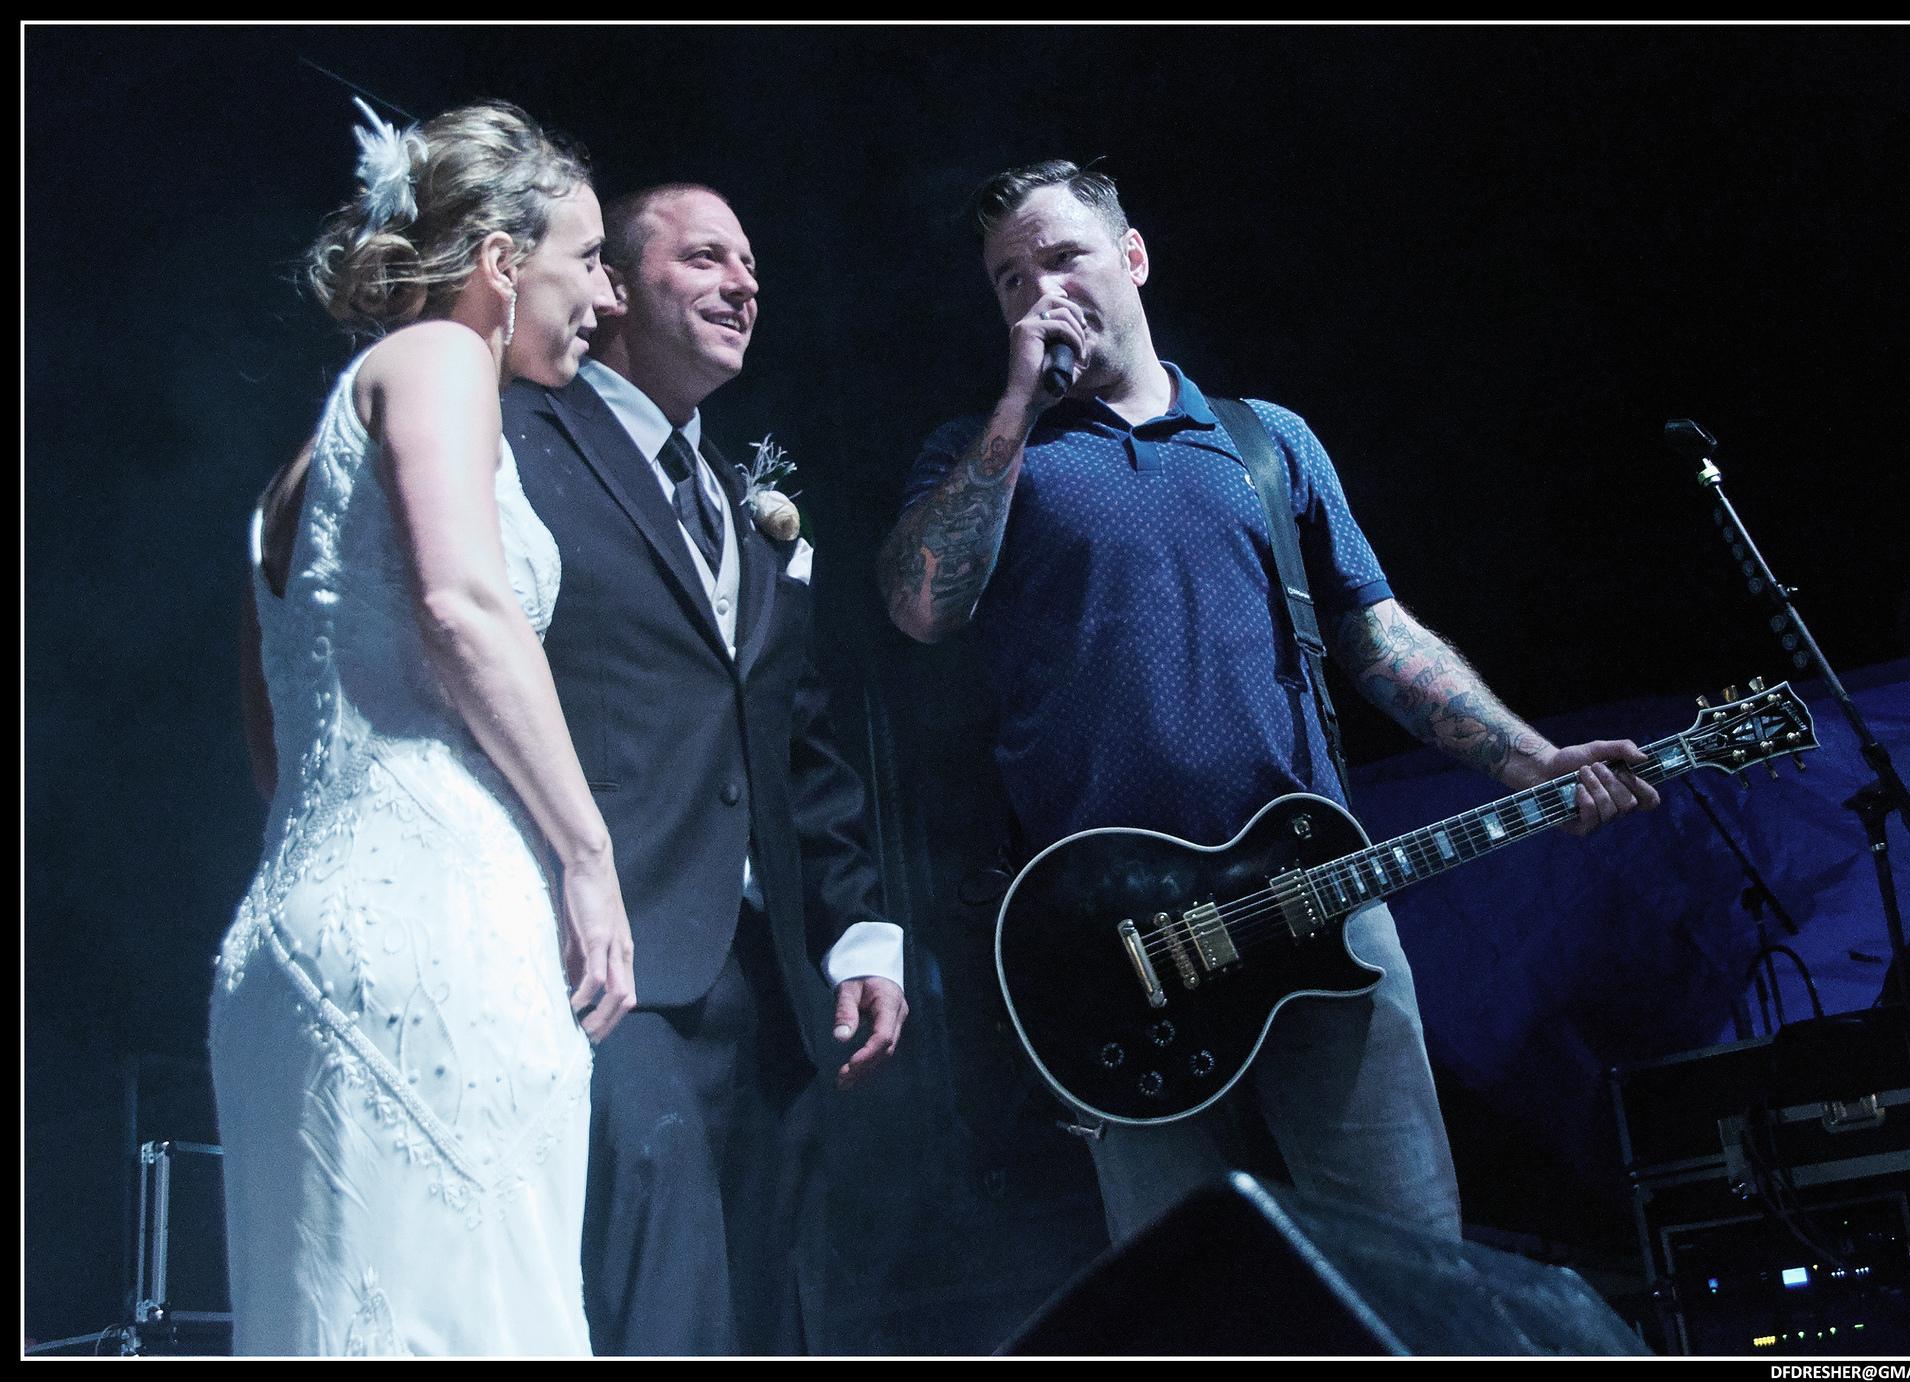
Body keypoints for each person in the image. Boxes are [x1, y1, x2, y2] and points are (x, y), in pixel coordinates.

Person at [878, 160, 1660, 1247]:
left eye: (1062, 258)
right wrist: (1016, 400)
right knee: (1191, 1289)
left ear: (1133, 258)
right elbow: (921, 604)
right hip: (1116, 945)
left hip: (1316, 894)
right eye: (1009, 279)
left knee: (1405, 1258)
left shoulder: (1262, 440)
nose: (1038, 292)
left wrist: (1528, 758)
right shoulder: (990, 455)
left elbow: (1374, 633)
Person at [214, 99, 632, 1356]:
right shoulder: (441, 360)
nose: (604, 299)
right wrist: (584, 851)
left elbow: (271, 745)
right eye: (587, 261)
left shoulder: (291, 475)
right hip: (436, 943)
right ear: (503, 264)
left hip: (294, 937)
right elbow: (461, 603)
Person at [502, 183, 908, 1355]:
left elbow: (796, 740)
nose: (746, 283)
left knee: (772, 1301)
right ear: (614, 287)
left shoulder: (745, 497)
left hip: (765, 974)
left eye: (752, 265)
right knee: (658, 1295)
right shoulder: (525, 438)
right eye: (706, 258)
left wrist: (861, 926)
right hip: (604, 955)